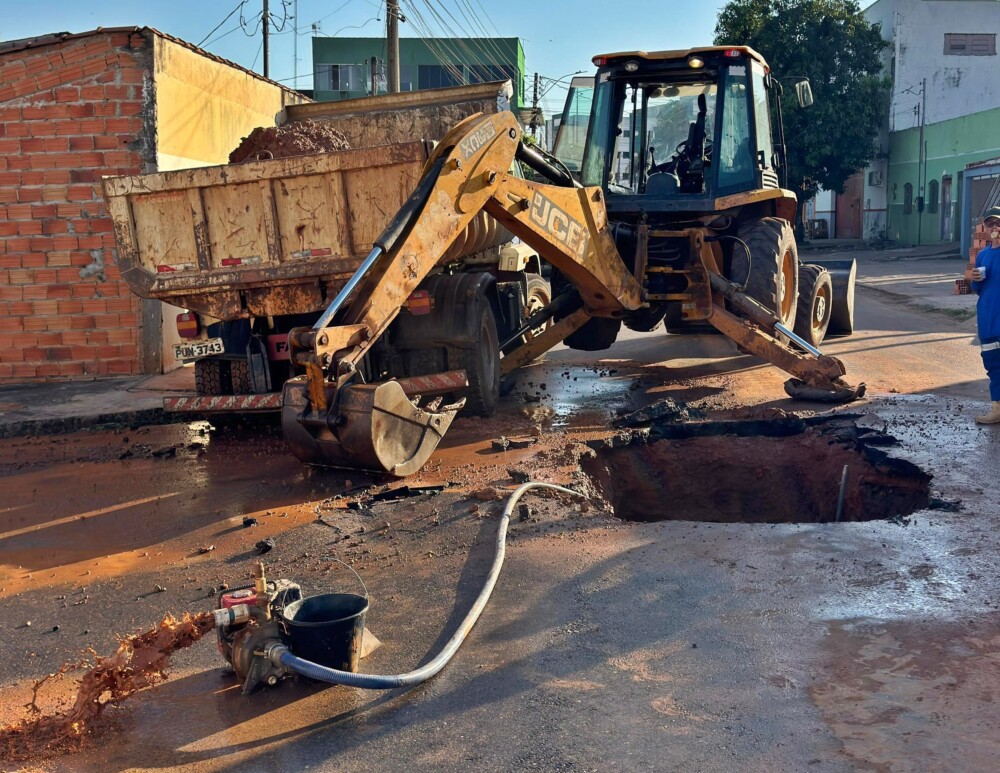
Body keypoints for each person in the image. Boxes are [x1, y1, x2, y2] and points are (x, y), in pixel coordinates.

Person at [972, 205, 1000, 424]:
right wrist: (976, 279)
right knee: (992, 365)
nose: (994, 227)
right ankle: (997, 409)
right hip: (987, 320)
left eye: (998, 223)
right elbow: (977, 288)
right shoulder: (982, 255)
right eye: (990, 223)